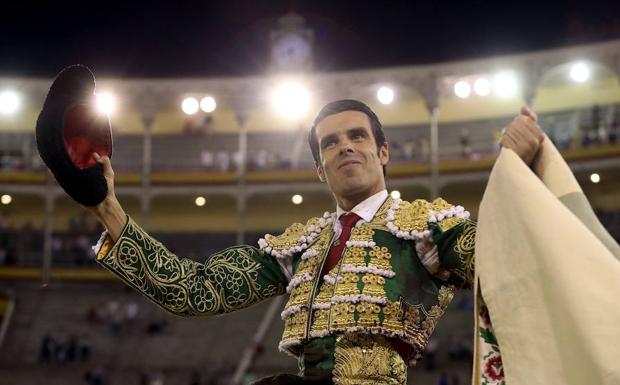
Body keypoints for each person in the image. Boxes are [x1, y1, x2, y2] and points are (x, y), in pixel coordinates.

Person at [89, 100, 543, 384]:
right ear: (320, 170)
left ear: (383, 153)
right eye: (330, 143)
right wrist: (107, 206)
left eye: (357, 136)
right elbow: (195, 290)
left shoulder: (425, 224)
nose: (344, 147)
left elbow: (497, 257)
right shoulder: (300, 244)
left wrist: (516, 176)